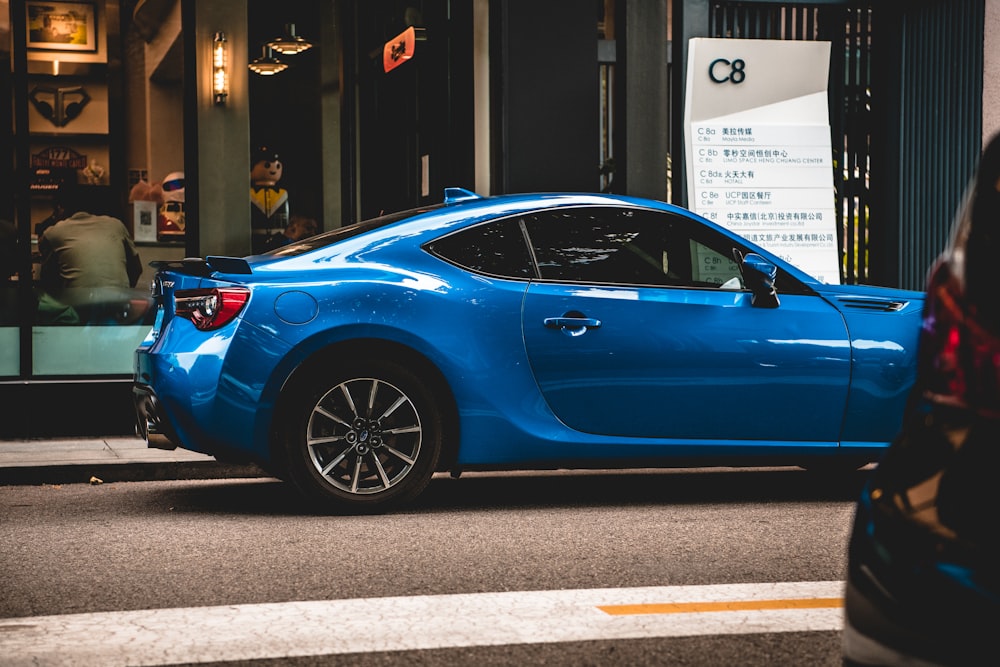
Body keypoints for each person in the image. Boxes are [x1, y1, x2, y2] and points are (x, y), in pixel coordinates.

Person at [37, 184, 143, 324]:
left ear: (59, 208)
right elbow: (136, 268)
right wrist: (122, 292)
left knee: (44, 303)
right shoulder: (116, 225)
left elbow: (47, 278)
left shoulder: (53, 232)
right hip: (119, 304)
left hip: (79, 306)